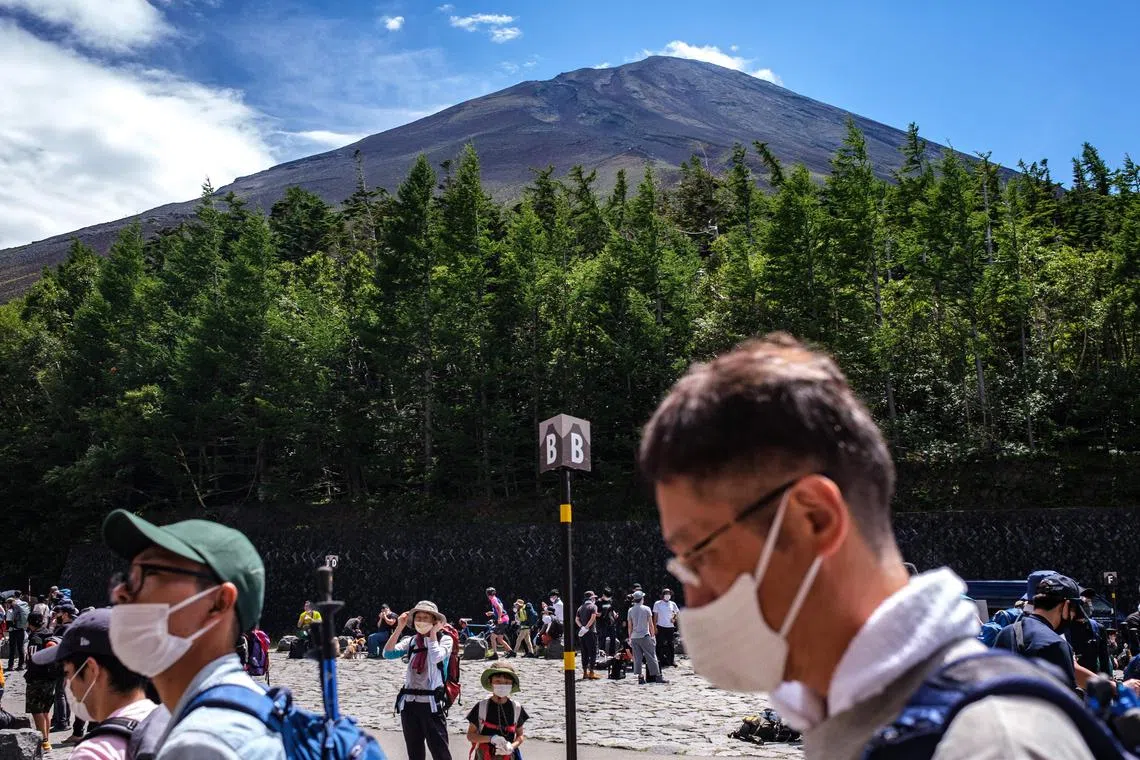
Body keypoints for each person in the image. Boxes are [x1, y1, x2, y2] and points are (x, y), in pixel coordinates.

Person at [637, 332, 1097, 759]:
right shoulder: (850, 716)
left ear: (813, 519)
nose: (692, 600)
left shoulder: (990, 743)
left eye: (699, 554)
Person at [102, 508, 285, 759]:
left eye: (151, 572)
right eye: (127, 577)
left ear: (219, 602)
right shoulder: (257, 702)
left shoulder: (203, 745)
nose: (121, 591)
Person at [31, 607, 164, 760]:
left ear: (91, 669)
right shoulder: (167, 720)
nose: (67, 684)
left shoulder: (95, 753)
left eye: (67, 672)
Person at [385, 600, 453, 760]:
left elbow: (436, 656)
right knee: (414, 753)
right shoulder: (411, 641)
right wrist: (399, 627)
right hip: (409, 704)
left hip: (432, 705)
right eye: (418, 618)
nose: (421, 621)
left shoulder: (445, 640)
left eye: (426, 618)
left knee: (440, 752)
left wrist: (433, 634)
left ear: (435, 621)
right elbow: (388, 653)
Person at [995, 574, 1085, 691]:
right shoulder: (1055, 644)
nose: (1073, 616)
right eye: (1074, 610)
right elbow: (1066, 700)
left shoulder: (1006, 632)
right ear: (1066, 605)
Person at [466, 662, 527, 760]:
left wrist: (512, 747)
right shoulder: (481, 707)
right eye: (498, 681)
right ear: (491, 682)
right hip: (484, 756)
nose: (502, 685)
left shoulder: (517, 708)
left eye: (507, 683)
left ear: (512, 684)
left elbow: (520, 735)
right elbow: (470, 736)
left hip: (509, 756)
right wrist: (491, 738)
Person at [23, 613, 60, 751]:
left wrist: (30, 675)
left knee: (36, 710)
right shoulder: (49, 633)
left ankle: (43, 740)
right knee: (45, 710)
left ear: (30, 623)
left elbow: (33, 659)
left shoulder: (35, 638)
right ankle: (47, 739)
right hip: (51, 678)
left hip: (37, 679)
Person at [1068, 588, 1111, 676]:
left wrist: (1107, 682)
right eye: (1084, 601)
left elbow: (1104, 659)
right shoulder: (1063, 628)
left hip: (1092, 681)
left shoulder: (1097, 628)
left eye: (1089, 601)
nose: (1088, 604)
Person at [626, 591, 665, 685]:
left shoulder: (630, 610)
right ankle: (658, 676)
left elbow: (630, 625)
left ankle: (640, 677)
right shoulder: (646, 609)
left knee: (637, 658)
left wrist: (630, 637)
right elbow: (651, 624)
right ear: (642, 599)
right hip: (645, 635)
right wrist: (653, 636)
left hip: (635, 637)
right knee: (651, 656)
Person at [575, 591, 600, 680]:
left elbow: (576, 619)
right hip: (591, 631)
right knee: (592, 652)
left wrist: (582, 627)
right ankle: (591, 672)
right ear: (592, 598)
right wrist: (587, 627)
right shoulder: (593, 606)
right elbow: (593, 617)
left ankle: (585, 672)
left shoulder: (580, 608)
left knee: (584, 652)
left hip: (582, 633)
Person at [652, 588, 679, 667]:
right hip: (660, 626)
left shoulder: (672, 604)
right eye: (666, 593)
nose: (668, 595)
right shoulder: (658, 603)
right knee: (659, 644)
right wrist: (654, 627)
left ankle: (672, 660)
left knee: (671, 644)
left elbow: (677, 613)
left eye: (669, 594)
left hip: (670, 626)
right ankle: (661, 660)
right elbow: (655, 616)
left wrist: (674, 619)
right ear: (662, 595)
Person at [484, 588, 514, 660]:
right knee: (500, 639)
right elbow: (499, 610)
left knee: (492, 637)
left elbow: (500, 609)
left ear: (488, 594)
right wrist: (491, 613)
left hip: (502, 620)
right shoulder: (496, 598)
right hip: (505, 619)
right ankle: (511, 652)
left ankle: (495, 655)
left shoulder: (493, 600)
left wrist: (499, 618)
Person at [6, 591, 28, 671]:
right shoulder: (24, 604)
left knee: (12, 648)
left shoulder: (12, 606)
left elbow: (9, 620)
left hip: (13, 630)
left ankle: (10, 666)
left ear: (14, 596)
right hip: (21, 629)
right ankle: (21, 665)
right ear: (21, 595)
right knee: (20, 647)